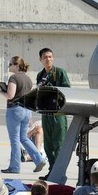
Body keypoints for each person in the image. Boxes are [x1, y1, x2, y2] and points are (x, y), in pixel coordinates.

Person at [0, 56, 47, 174]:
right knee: (24, 138)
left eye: (10, 64)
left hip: (15, 109)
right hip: (27, 110)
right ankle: (39, 159)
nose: (9, 66)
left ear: (16, 65)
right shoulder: (28, 79)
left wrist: (2, 91)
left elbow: (11, 95)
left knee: (14, 139)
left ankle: (14, 167)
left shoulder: (14, 77)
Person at [36, 48, 70, 176]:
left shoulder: (60, 73)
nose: (48, 59)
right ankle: (52, 171)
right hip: (46, 114)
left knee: (59, 145)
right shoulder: (40, 75)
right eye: (45, 57)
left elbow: (67, 91)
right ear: (41, 60)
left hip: (58, 114)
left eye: (50, 56)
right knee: (48, 146)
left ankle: (60, 173)